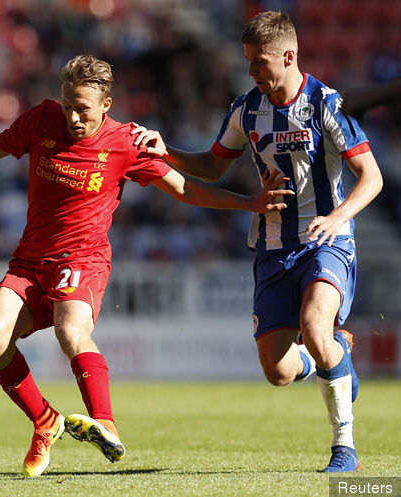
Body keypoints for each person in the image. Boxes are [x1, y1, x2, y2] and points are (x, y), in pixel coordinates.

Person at [0, 54, 293, 477]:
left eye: (82, 108)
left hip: (83, 257)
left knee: (70, 330)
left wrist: (249, 202)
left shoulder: (124, 144)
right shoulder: (42, 120)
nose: (73, 117)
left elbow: (183, 189)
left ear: (106, 105)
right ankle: (45, 422)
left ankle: (106, 424)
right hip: (29, 260)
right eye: (67, 106)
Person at [131, 11, 383, 473]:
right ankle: (336, 353)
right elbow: (211, 166)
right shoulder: (247, 109)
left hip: (327, 241)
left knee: (314, 323)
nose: (251, 72)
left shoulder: (326, 103)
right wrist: (165, 151)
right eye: (247, 61)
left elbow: (372, 178)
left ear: (288, 56)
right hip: (272, 247)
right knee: (279, 372)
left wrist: (336, 217)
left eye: (258, 62)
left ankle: (344, 448)